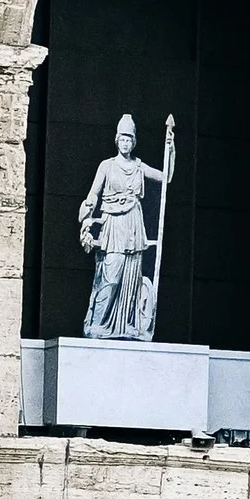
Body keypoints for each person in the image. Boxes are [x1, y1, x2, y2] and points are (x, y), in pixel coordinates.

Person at [77, 111, 172, 341]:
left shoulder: (139, 167)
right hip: (113, 224)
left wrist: (170, 148)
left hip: (133, 223)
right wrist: (87, 216)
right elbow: (93, 194)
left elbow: (166, 176)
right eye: (122, 139)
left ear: (134, 142)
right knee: (111, 275)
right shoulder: (107, 166)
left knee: (132, 276)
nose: (126, 143)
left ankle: (127, 325)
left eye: (129, 139)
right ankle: (98, 323)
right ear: (117, 140)